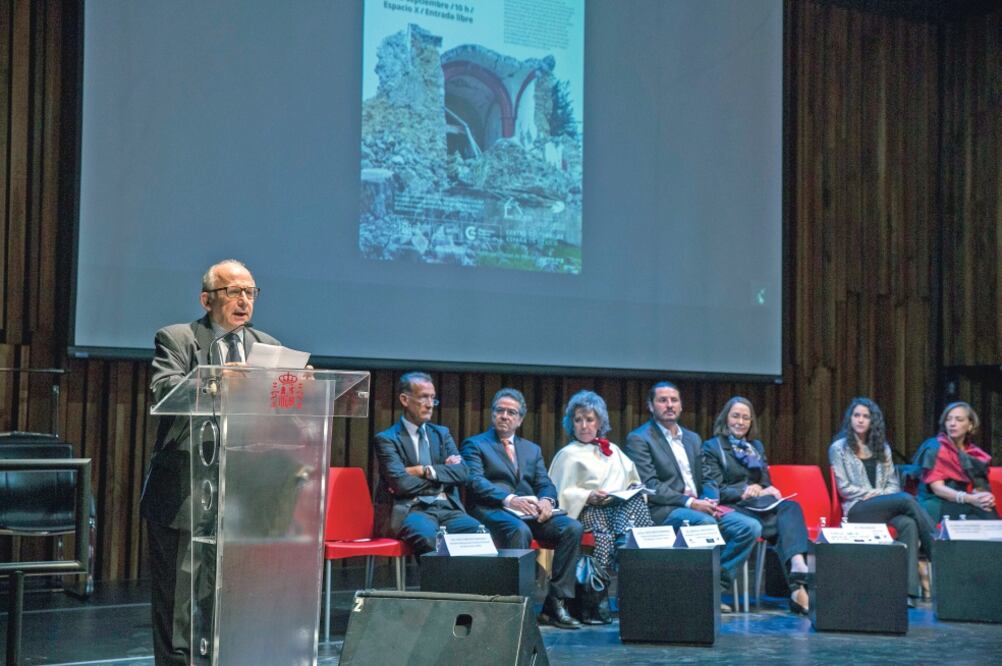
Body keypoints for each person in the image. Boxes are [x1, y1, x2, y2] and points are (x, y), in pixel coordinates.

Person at [142, 259, 280, 666]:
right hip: (184, 491)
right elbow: (164, 391)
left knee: (229, 598)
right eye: (233, 292)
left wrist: (298, 389)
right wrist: (219, 376)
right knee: (178, 605)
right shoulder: (178, 338)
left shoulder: (267, 346)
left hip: (243, 491)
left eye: (250, 292)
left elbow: (278, 412)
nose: (243, 300)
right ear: (207, 299)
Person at [624, 382, 761, 612]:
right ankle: (699, 592)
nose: (669, 405)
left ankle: (713, 587)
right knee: (704, 524)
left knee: (750, 527)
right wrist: (690, 502)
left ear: (680, 405)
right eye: (663, 400)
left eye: (674, 400)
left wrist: (710, 499)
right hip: (665, 510)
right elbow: (651, 486)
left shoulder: (693, 439)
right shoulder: (640, 439)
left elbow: (707, 478)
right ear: (650, 405)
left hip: (701, 507)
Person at [462, 388, 584, 629]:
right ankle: (516, 605)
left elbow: (545, 484)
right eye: (500, 411)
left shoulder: (531, 449)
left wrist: (547, 502)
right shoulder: (475, 444)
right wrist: (508, 499)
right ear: (492, 414)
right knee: (520, 531)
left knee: (572, 528)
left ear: (520, 419)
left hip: (529, 512)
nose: (504, 416)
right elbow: (475, 482)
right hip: (492, 510)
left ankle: (555, 604)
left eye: (511, 412)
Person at [548, 390, 653, 617]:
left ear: (599, 423)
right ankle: (597, 597)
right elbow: (559, 493)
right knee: (605, 531)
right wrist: (587, 496)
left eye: (589, 419)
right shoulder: (568, 454)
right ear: (571, 424)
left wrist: (632, 489)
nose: (584, 425)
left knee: (635, 507)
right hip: (588, 511)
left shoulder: (612, 450)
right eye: (578, 420)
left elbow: (633, 480)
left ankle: (634, 576)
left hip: (618, 510)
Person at [702, 397, 811, 614]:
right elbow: (714, 489)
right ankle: (798, 587)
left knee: (790, 508)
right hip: (732, 506)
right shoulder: (712, 447)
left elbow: (765, 481)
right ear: (726, 418)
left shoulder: (756, 447)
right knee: (777, 526)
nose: (740, 422)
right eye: (735, 416)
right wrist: (742, 492)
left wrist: (766, 489)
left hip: (759, 506)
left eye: (745, 417)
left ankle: (798, 565)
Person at [829, 397, 937, 601]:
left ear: (873, 421)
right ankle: (938, 549)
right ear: (850, 419)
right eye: (856, 415)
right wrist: (870, 494)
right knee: (906, 499)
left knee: (907, 524)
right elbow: (844, 488)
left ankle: (908, 593)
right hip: (857, 509)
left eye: (866, 416)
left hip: (882, 507)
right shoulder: (839, 448)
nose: (860, 420)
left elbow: (893, 485)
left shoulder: (883, 448)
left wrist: (877, 495)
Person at [372, 372, 480, 554]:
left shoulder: (442, 434)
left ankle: (464, 583)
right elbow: (401, 484)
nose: (430, 404)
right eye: (423, 398)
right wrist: (443, 477)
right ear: (405, 400)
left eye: (433, 398)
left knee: (478, 535)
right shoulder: (387, 439)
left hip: (448, 508)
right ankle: (440, 583)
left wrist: (424, 470)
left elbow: (463, 473)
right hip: (412, 510)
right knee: (430, 539)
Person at [914, 401, 997, 522]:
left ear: (970, 425)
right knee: (981, 512)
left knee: (985, 508)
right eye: (949, 419)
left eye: (959, 420)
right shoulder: (935, 447)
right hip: (936, 501)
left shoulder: (973, 452)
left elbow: (979, 486)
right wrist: (970, 499)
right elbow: (938, 489)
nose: (952, 424)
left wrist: (984, 497)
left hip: (961, 501)